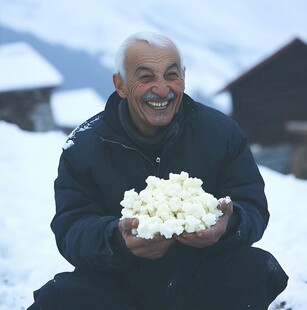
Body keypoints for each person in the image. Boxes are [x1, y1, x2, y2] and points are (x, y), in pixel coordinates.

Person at [28, 32, 288, 310]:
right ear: (121, 85)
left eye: (171, 75)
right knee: (58, 296)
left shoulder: (221, 133)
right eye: (146, 77)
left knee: (257, 266)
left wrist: (229, 224)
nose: (162, 89)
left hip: (203, 282)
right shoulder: (85, 145)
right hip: (118, 285)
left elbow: (252, 207)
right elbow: (71, 228)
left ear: (184, 78)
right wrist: (117, 240)